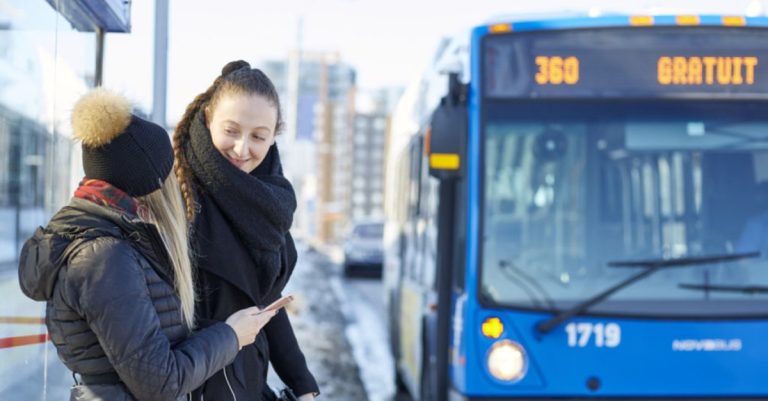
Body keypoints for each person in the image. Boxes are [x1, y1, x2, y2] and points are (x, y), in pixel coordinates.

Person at [18, 88, 278, 401]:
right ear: (146, 181)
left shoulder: (111, 238)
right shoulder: (103, 256)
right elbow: (160, 382)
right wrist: (232, 335)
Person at [173, 60, 319, 400]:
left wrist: (303, 384)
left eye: (258, 136)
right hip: (194, 386)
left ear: (274, 136)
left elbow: (262, 302)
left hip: (247, 383)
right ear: (208, 117)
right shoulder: (176, 195)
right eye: (231, 130)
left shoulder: (269, 203)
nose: (242, 149)